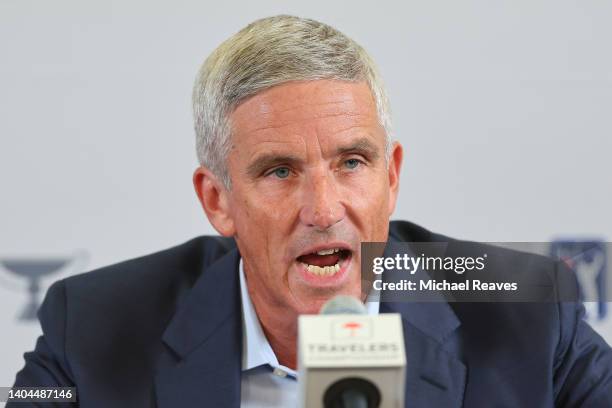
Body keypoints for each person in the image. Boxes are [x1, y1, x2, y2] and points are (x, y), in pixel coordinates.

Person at [10, 15, 612, 407]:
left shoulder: (522, 305)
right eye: (279, 171)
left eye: (352, 163)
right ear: (218, 200)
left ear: (391, 175)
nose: (324, 210)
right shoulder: (94, 324)